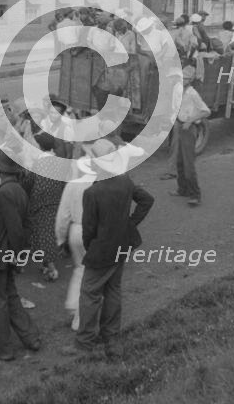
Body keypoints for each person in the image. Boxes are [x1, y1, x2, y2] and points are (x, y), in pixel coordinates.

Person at [65, 139, 153, 357]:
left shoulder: (93, 193)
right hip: (122, 245)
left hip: (101, 250)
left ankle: (84, 341)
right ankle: (111, 338)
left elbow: (88, 230)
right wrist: (130, 224)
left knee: (89, 294)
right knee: (113, 290)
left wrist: (91, 247)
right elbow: (147, 200)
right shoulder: (125, 181)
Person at [0, 150, 41, 361]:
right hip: (5, 254)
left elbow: (15, 230)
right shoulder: (18, 190)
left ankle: (2, 348)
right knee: (10, 297)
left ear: (0, 170)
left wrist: (17, 255)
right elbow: (25, 225)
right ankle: (31, 338)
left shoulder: (5, 192)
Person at [55, 156, 97, 332]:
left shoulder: (72, 185)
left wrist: (60, 238)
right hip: (93, 231)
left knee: (80, 269)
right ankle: (81, 318)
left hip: (75, 231)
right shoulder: (98, 183)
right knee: (92, 274)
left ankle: (73, 304)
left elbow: (63, 215)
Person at [169, 65, 210, 206]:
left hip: (189, 129)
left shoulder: (192, 93)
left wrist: (190, 120)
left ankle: (195, 195)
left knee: (188, 164)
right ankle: (182, 189)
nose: (182, 80)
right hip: (179, 126)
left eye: (185, 78)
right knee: (179, 161)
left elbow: (206, 112)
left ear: (190, 80)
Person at [29, 132, 68, 281]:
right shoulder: (59, 161)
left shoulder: (37, 162)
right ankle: (45, 263)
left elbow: (30, 181)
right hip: (56, 200)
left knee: (44, 234)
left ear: (40, 146)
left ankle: (51, 268)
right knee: (49, 231)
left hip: (40, 202)